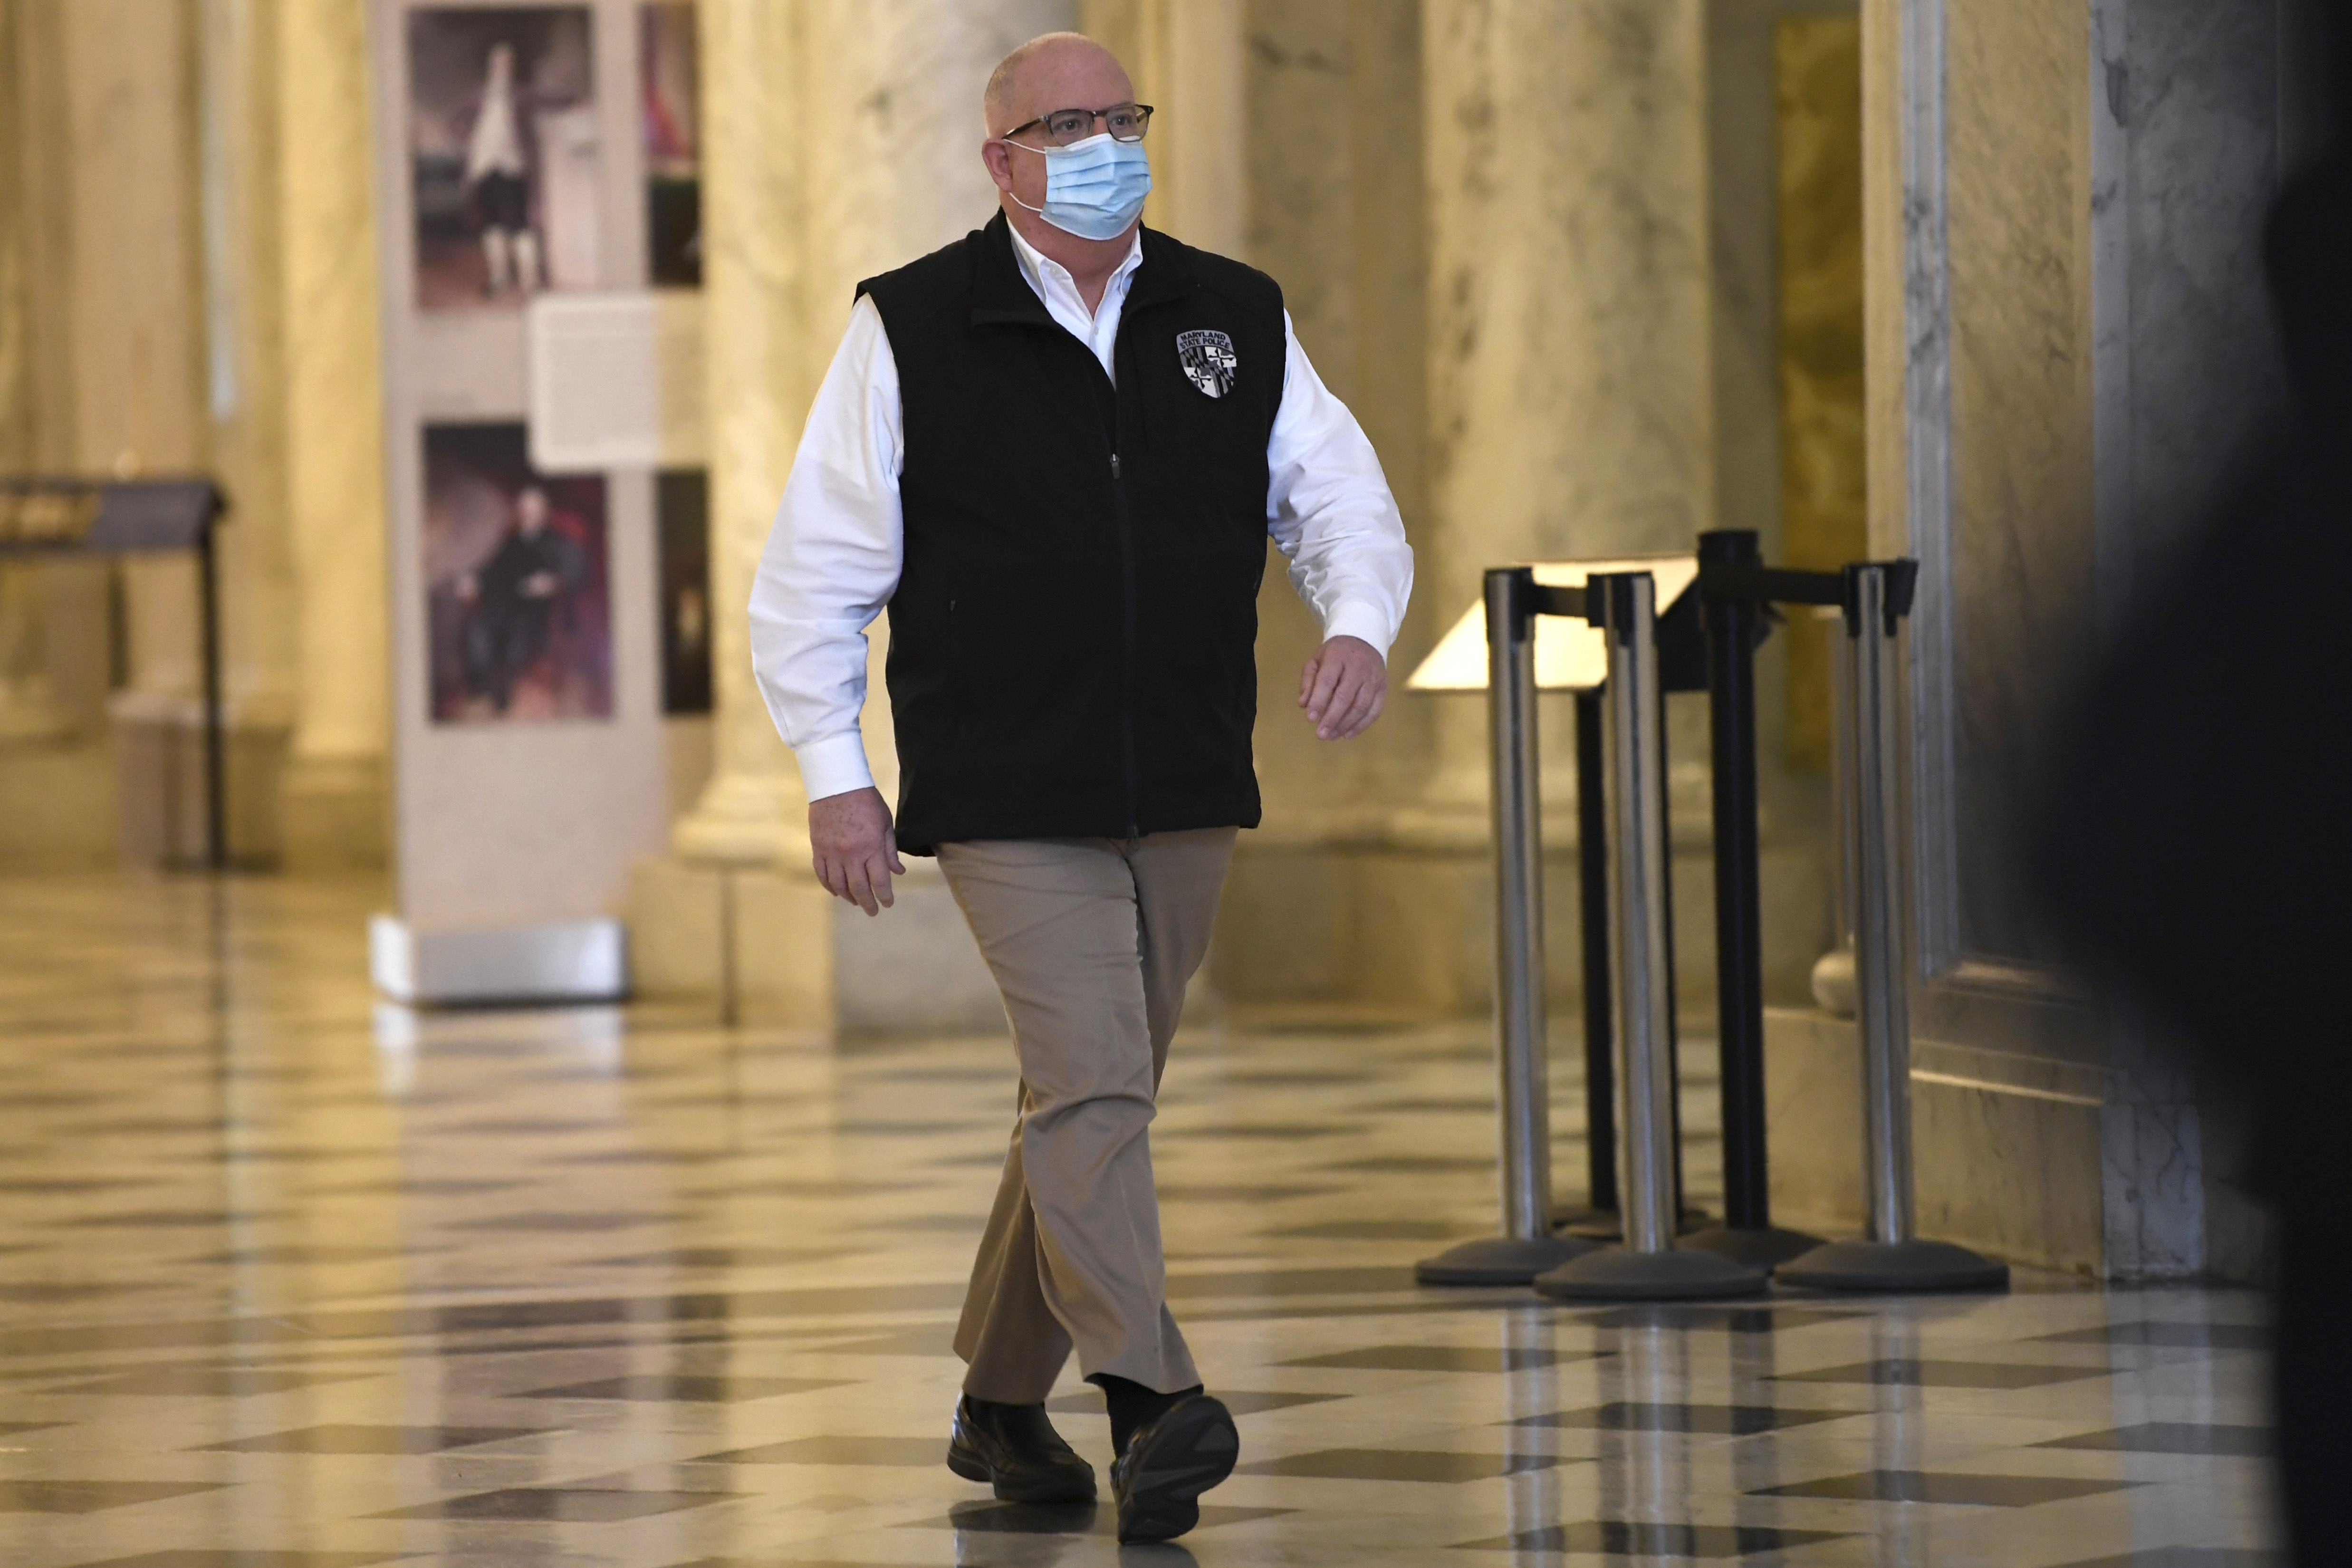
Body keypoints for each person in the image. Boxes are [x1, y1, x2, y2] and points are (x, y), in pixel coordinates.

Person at [748, 32, 1412, 1545]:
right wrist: (833, 773)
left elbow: (1337, 496)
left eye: (1121, 114)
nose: (1102, 140)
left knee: (1090, 1092)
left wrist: (1358, 622)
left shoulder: (1226, 312)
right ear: (1000, 161)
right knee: (1098, 1080)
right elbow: (813, 576)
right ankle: (1149, 1395)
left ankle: (995, 1401)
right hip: (1003, 778)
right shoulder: (912, 324)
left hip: (1180, 768)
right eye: (1065, 123)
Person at [459, 486, 584, 713]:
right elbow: (492, 572)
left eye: (534, 511)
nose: (528, 516)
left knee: (515, 640)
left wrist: (553, 582)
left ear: (544, 514)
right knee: (476, 630)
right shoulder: (511, 543)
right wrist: (475, 580)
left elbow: (577, 572)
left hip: (536, 613)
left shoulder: (558, 544)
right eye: (524, 511)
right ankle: (481, 688)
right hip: (502, 606)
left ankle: (502, 695)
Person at [463, 42, 540, 297]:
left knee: (519, 226)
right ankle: (499, 280)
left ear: (514, 67)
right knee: (491, 226)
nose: (501, 67)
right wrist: (469, 146)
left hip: (511, 167)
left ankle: (531, 284)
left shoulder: (521, 94)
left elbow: (549, 100)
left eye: (507, 62)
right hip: (483, 168)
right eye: (497, 62)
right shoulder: (479, 95)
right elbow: (458, 121)